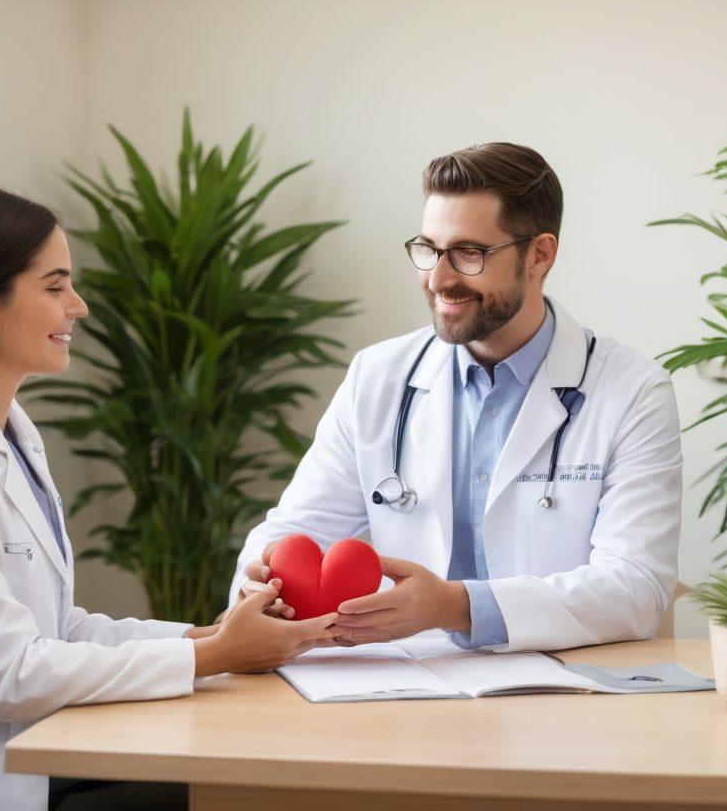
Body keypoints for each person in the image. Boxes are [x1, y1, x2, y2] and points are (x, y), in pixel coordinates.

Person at [0, 185, 335, 811]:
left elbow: (59, 628)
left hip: (32, 752)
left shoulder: (11, 432)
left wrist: (209, 636)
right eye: (56, 285)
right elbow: (9, 675)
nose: (80, 307)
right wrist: (216, 656)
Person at [230, 143, 682, 652]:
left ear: (540, 254)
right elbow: (296, 529)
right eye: (428, 249)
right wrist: (260, 588)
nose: (438, 279)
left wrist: (454, 607)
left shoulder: (631, 391)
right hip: (400, 690)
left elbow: (637, 588)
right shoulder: (377, 377)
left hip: (558, 695)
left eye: (469, 254)